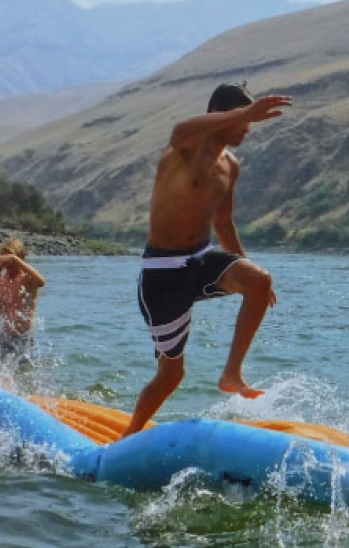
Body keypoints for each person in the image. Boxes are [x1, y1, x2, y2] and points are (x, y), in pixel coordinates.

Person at [122, 82, 292, 437]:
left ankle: (232, 373)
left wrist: (251, 276)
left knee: (260, 280)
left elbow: (223, 223)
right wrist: (246, 111)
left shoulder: (231, 165)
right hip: (162, 274)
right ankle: (128, 436)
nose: (247, 128)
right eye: (242, 120)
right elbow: (179, 128)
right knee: (171, 375)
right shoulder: (183, 149)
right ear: (218, 116)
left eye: (249, 121)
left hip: (200, 261)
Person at [0, 237, 46, 361]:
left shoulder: (27, 280)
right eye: (3, 259)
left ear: (22, 257)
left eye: (9, 259)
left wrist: (15, 259)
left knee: (20, 376)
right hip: (2, 338)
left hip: (22, 339)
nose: (6, 264)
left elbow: (41, 281)